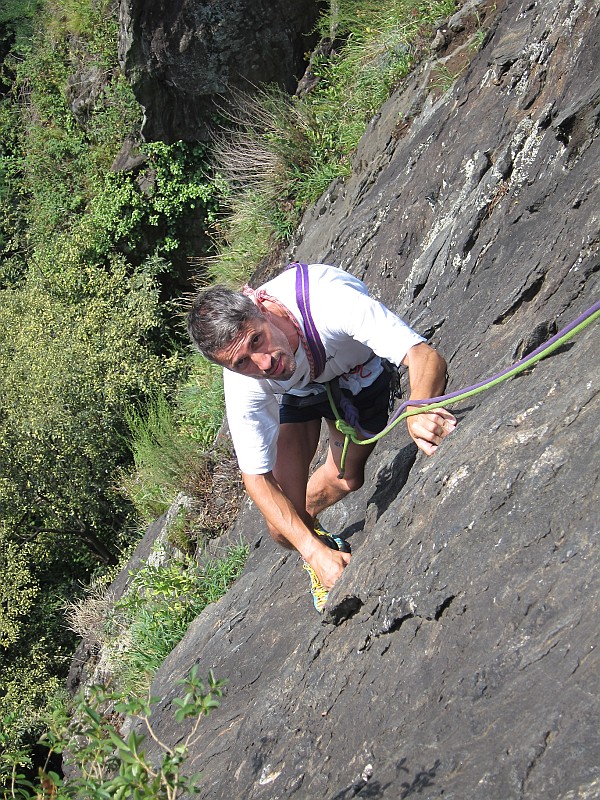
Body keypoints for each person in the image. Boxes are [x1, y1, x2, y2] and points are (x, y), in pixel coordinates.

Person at [187, 263, 456, 611]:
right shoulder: (243, 378)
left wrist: (418, 407)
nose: (264, 363)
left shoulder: (327, 300)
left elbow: (424, 356)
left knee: (347, 480)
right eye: (242, 362)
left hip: (357, 373)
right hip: (299, 393)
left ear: (258, 305)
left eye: (258, 339)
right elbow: (255, 476)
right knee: (283, 529)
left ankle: (308, 512)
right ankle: (313, 534)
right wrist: (312, 553)